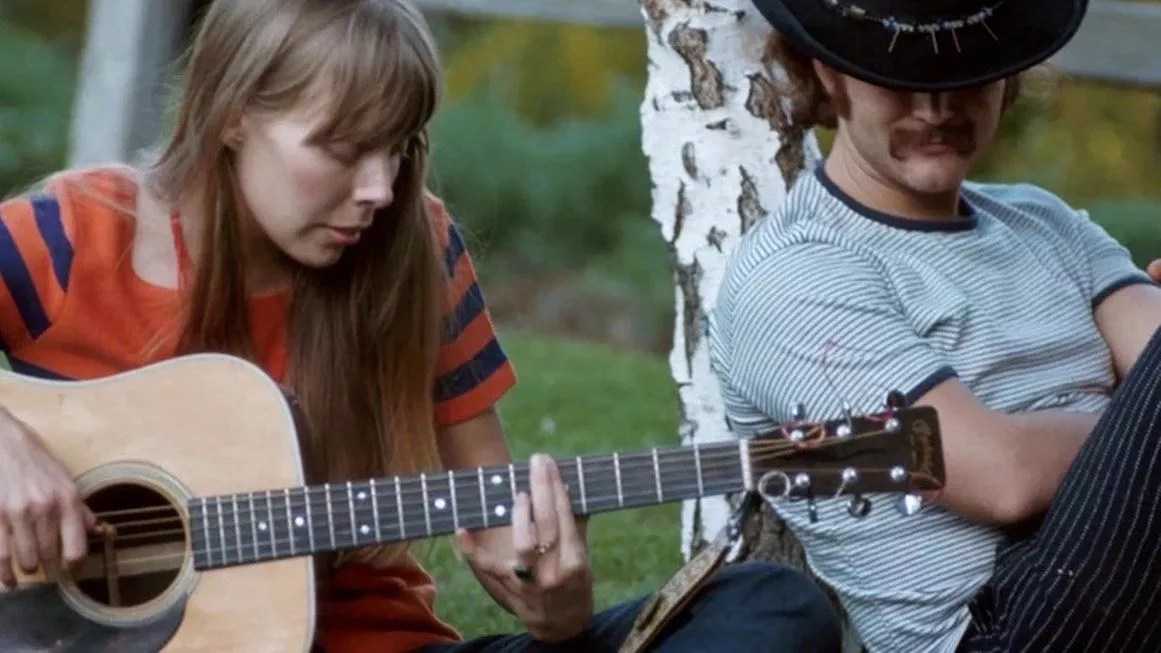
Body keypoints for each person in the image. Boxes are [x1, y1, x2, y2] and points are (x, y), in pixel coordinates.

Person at [0, 1, 845, 651]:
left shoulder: (417, 249)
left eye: (398, 148)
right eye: (342, 147)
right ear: (233, 117)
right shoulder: (76, 236)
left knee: (770, 605)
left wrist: (554, 606)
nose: (378, 188)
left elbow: (500, 519)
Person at [708, 0, 1161, 651]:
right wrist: (1134, 425)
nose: (934, 106)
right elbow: (1001, 478)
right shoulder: (793, 273)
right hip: (996, 627)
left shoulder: (1044, 221)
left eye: (965, 72)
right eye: (898, 76)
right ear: (826, 71)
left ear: (1006, 74)